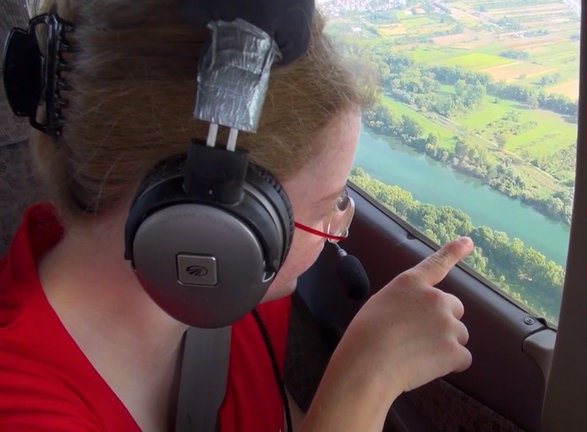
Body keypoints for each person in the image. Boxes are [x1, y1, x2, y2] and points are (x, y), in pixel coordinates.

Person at [0, 0, 474, 431]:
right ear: (214, 224)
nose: (338, 230)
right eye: (328, 207)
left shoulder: (235, 297)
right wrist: (369, 377)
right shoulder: (22, 407)